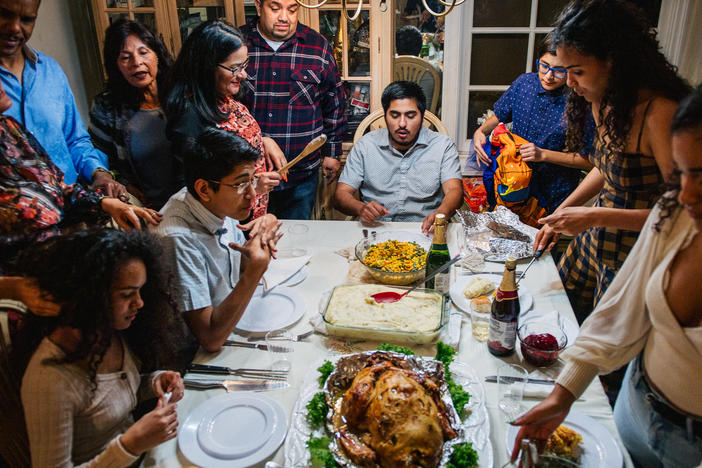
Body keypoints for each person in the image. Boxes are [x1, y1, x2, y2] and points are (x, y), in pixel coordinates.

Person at [511, 83, 702, 468]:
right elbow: (620, 310)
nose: (683, 194)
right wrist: (562, 396)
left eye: (700, 175)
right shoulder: (675, 214)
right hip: (635, 407)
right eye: (679, 174)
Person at [533, 0, 691, 323]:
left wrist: (592, 217)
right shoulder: (603, 101)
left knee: (604, 353)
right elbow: (607, 169)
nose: (570, 83)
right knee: (556, 319)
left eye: (577, 72)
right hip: (596, 242)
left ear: (614, 62)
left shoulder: (659, 113)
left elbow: (681, 218)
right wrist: (563, 210)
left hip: (635, 254)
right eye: (567, 71)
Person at [13, 229, 185, 467]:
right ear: (89, 296)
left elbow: (108, 396)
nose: (140, 303)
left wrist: (154, 382)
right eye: (127, 295)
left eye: (140, 291)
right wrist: (130, 445)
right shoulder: (49, 380)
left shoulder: (108, 331)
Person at [0, 79, 162, 267]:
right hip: (22, 267)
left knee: (136, 226)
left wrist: (106, 203)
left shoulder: (9, 128)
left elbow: (57, 187)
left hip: (61, 243)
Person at [152, 128, 282, 353]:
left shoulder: (216, 204)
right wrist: (254, 270)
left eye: (253, 180)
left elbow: (234, 266)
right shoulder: (177, 238)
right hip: (192, 356)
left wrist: (258, 242)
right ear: (204, 189)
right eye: (241, 184)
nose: (252, 194)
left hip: (234, 319)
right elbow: (210, 339)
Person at [0, 0, 127, 199]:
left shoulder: (50, 70)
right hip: (16, 221)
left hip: (72, 208)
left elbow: (75, 139)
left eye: (26, 19)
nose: (15, 28)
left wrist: (98, 173)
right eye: (4, 14)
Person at [164, 21, 283, 220]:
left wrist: (263, 141)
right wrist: (253, 186)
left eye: (244, 65)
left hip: (249, 212)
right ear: (206, 67)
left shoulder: (221, 95)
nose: (243, 75)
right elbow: (196, 194)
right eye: (234, 68)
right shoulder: (189, 118)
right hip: (226, 225)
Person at [240, 0, 347, 220]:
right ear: (259, 7)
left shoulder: (317, 46)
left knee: (296, 243)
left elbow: (334, 104)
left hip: (300, 175)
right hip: (246, 177)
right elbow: (220, 108)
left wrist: (333, 153)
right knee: (249, 245)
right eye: (275, 8)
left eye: (292, 9)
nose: (284, 17)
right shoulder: (238, 44)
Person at [473, 39, 595, 219]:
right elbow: (499, 114)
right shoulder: (524, 84)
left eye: (559, 71)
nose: (548, 76)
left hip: (553, 190)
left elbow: (589, 161)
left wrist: (543, 154)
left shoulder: (580, 99)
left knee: (542, 244)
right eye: (544, 66)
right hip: (513, 181)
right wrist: (480, 132)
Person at [334, 81, 462, 233]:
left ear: (422, 115)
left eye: (410, 116)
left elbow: (455, 190)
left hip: (425, 230)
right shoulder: (365, 146)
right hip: (376, 229)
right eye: (394, 115)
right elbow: (341, 195)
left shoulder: (442, 146)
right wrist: (361, 208)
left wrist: (442, 213)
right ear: (385, 114)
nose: (402, 123)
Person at [90, 19, 179, 210]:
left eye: (143, 52)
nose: (136, 63)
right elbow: (100, 161)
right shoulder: (107, 107)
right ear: (116, 65)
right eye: (125, 57)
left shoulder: (182, 95)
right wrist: (124, 184)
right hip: (145, 210)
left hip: (193, 204)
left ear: (157, 54)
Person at [395, 25, 442, 113]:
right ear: (420, 48)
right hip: (426, 121)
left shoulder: (388, 68)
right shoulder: (434, 71)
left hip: (394, 120)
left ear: (396, 48)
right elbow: (440, 101)